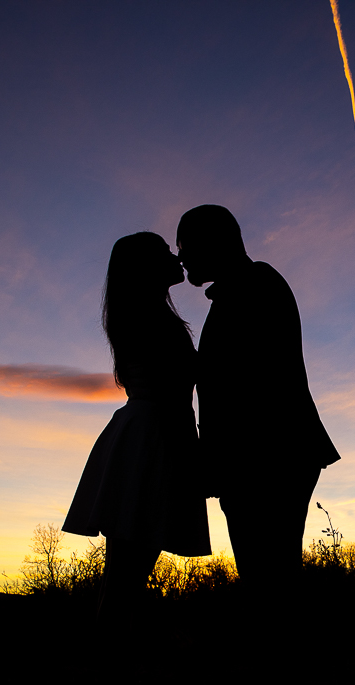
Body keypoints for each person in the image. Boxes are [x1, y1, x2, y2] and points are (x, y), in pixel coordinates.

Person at [176, 204, 340, 593]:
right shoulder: (240, 290)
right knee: (266, 578)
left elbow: (253, 386)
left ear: (210, 242)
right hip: (260, 459)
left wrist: (219, 460)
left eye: (185, 245)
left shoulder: (255, 284)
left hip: (269, 457)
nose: (181, 257)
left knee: (270, 579)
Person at [62, 232, 210, 618]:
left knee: (124, 577)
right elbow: (172, 386)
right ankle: (107, 662)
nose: (176, 256)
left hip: (148, 436)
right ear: (146, 267)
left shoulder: (143, 315)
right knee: (126, 577)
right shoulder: (149, 318)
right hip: (154, 440)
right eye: (164, 252)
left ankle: (107, 659)